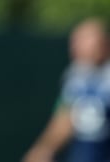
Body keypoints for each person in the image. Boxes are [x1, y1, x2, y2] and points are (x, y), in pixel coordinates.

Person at [23, 18, 110, 162]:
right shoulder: (75, 76)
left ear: (103, 43)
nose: (76, 46)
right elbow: (65, 117)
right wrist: (43, 150)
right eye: (75, 41)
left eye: (84, 40)